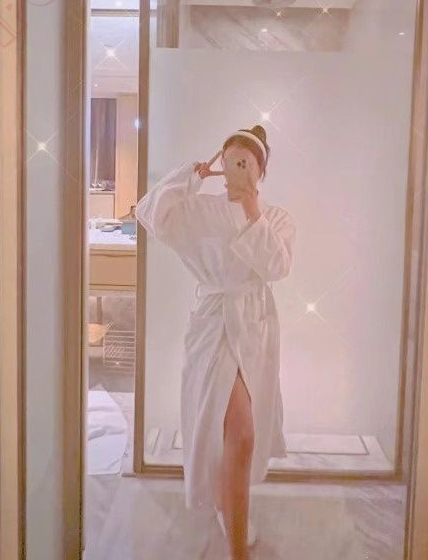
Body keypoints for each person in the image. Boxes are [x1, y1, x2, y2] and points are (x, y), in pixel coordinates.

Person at [135, 124, 295, 560]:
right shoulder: (200, 211)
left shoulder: (276, 218)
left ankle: (231, 508)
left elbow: (277, 267)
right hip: (212, 324)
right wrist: (191, 175)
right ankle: (237, 547)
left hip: (254, 325)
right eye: (230, 160)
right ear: (220, 164)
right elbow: (151, 212)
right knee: (238, 433)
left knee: (240, 437)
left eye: (247, 162)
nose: (237, 167)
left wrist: (252, 207)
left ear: (261, 170)